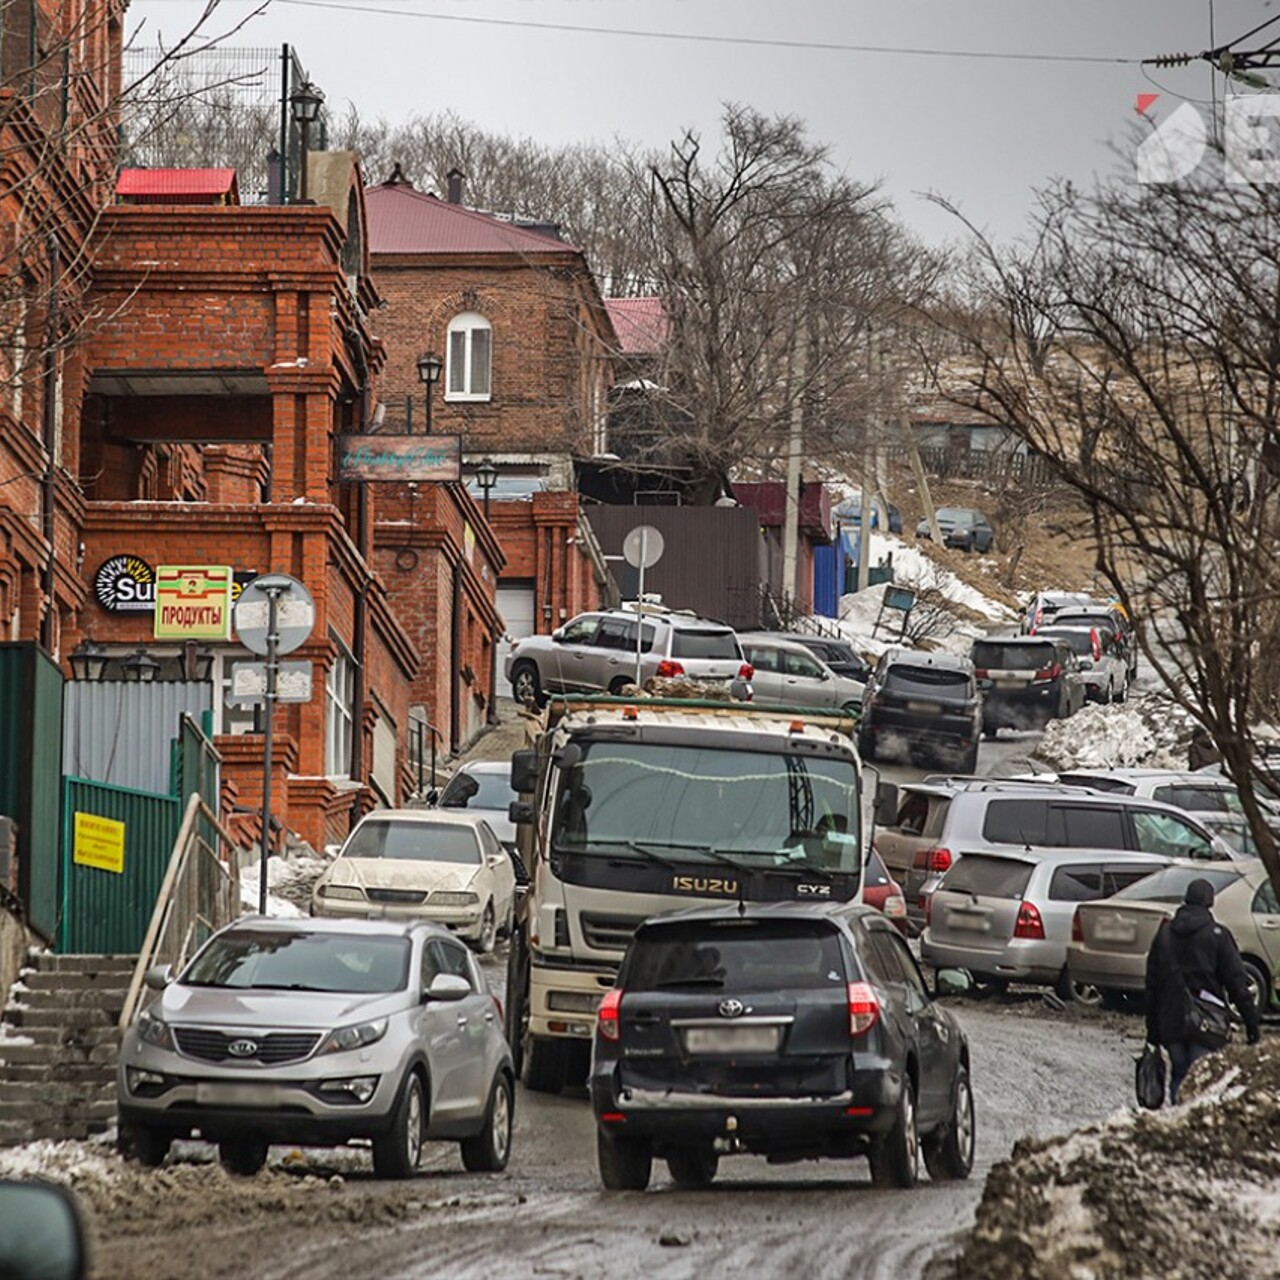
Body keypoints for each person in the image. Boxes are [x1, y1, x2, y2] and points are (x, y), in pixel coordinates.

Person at [1144, 877, 1260, 1102]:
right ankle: (1191, 1125)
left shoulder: (1165, 935)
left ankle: (1177, 1119)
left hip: (1171, 1019)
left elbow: (1152, 985)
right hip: (1208, 1022)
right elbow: (1237, 984)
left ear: (1186, 900)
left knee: (1179, 1074)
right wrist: (1252, 1025)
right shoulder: (1218, 935)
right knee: (1200, 1079)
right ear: (1210, 902)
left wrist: (1152, 1031)